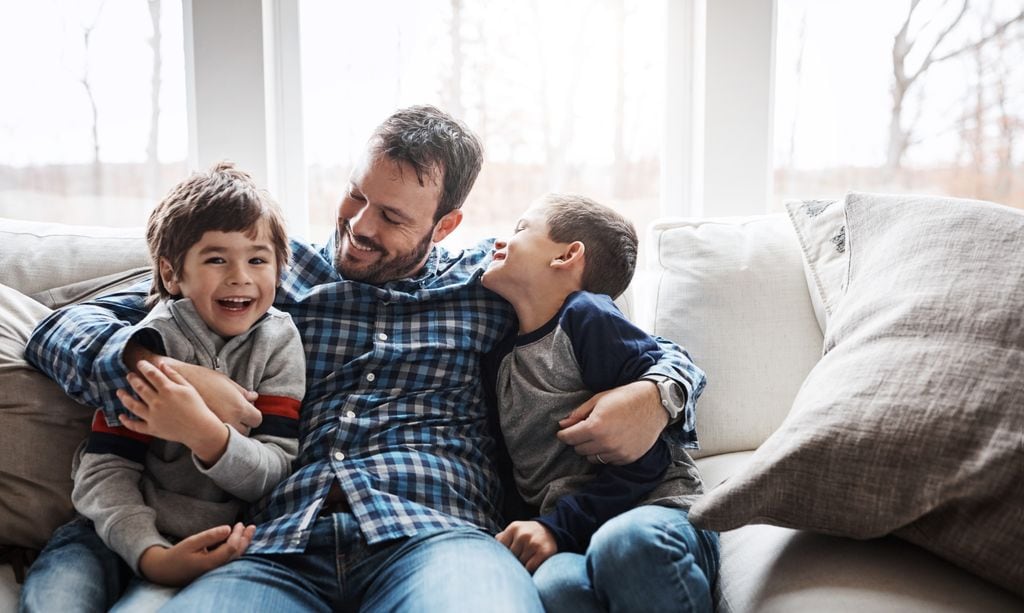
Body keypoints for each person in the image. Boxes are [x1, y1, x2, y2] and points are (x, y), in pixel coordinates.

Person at [25, 105, 703, 612]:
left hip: (437, 535)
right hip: (276, 542)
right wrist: (177, 370)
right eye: (357, 194)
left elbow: (631, 336)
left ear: (446, 226)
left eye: (394, 217)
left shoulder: (489, 284)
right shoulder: (269, 275)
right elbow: (62, 328)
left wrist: (659, 391)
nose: (360, 225)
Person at [19, 162, 305, 612]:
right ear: (173, 275)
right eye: (216, 259)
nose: (239, 276)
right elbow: (106, 470)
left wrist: (204, 434)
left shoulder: (279, 343)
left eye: (257, 259)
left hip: (211, 542)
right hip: (107, 530)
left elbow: (273, 472)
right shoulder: (151, 338)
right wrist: (150, 555)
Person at [481, 193, 719, 611]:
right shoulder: (500, 356)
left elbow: (650, 453)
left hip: (657, 511)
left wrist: (558, 526)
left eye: (520, 229)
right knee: (556, 587)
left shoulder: (588, 317)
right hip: (572, 535)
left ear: (567, 255)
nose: (498, 243)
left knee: (625, 543)